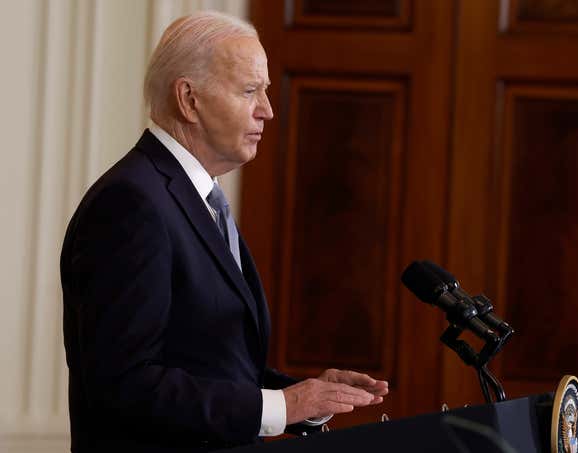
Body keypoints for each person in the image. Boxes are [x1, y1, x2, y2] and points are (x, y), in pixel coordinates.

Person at [60, 10, 388, 452]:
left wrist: (301, 396)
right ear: (189, 99)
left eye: (266, 92)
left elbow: (209, 365)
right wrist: (278, 408)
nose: (268, 111)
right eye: (250, 91)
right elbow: (124, 383)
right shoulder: (132, 203)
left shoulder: (195, 197)